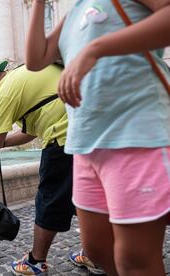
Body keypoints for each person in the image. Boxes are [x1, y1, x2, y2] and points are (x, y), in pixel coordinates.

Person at [25, 0, 170, 275]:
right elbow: (35, 59)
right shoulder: (73, 12)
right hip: (86, 144)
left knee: (135, 259)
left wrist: (97, 48)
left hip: (134, 134)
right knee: (98, 250)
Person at [0, 61, 84, 275]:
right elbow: (30, 133)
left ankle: (35, 261)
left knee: (49, 199)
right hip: (88, 125)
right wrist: (2, 142)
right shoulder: (24, 75)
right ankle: (95, 253)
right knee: (85, 196)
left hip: (63, 136)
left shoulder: (3, 92)